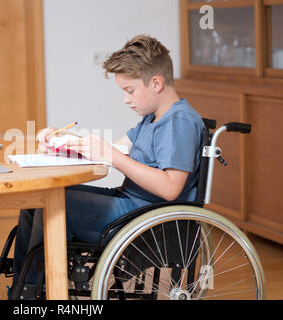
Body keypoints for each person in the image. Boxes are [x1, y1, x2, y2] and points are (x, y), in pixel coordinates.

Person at [11, 34, 205, 295]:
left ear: (156, 83)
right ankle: (24, 289)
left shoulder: (178, 122)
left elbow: (171, 188)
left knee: (52, 207)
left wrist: (113, 157)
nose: (126, 99)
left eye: (130, 90)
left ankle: (29, 294)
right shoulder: (153, 119)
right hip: (131, 205)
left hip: (148, 219)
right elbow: (112, 150)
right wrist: (65, 141)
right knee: (38, 199)